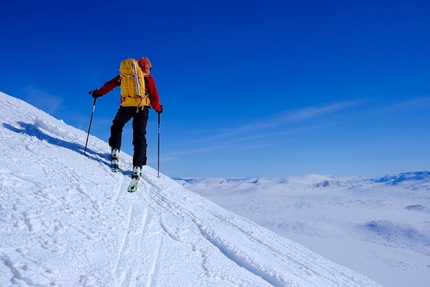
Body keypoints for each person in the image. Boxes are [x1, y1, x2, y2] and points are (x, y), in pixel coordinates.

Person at [91, 56, 163, 179]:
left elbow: (110, 85)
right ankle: (137, 166)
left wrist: (98, 93)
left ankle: (115, 150)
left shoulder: (124, 76)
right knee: (139, 136)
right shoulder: (148, 78)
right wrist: (158, 108)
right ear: (146, 67)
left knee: (117, 125)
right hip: (142, 108)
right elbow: (154, 96)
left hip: (126, 107)